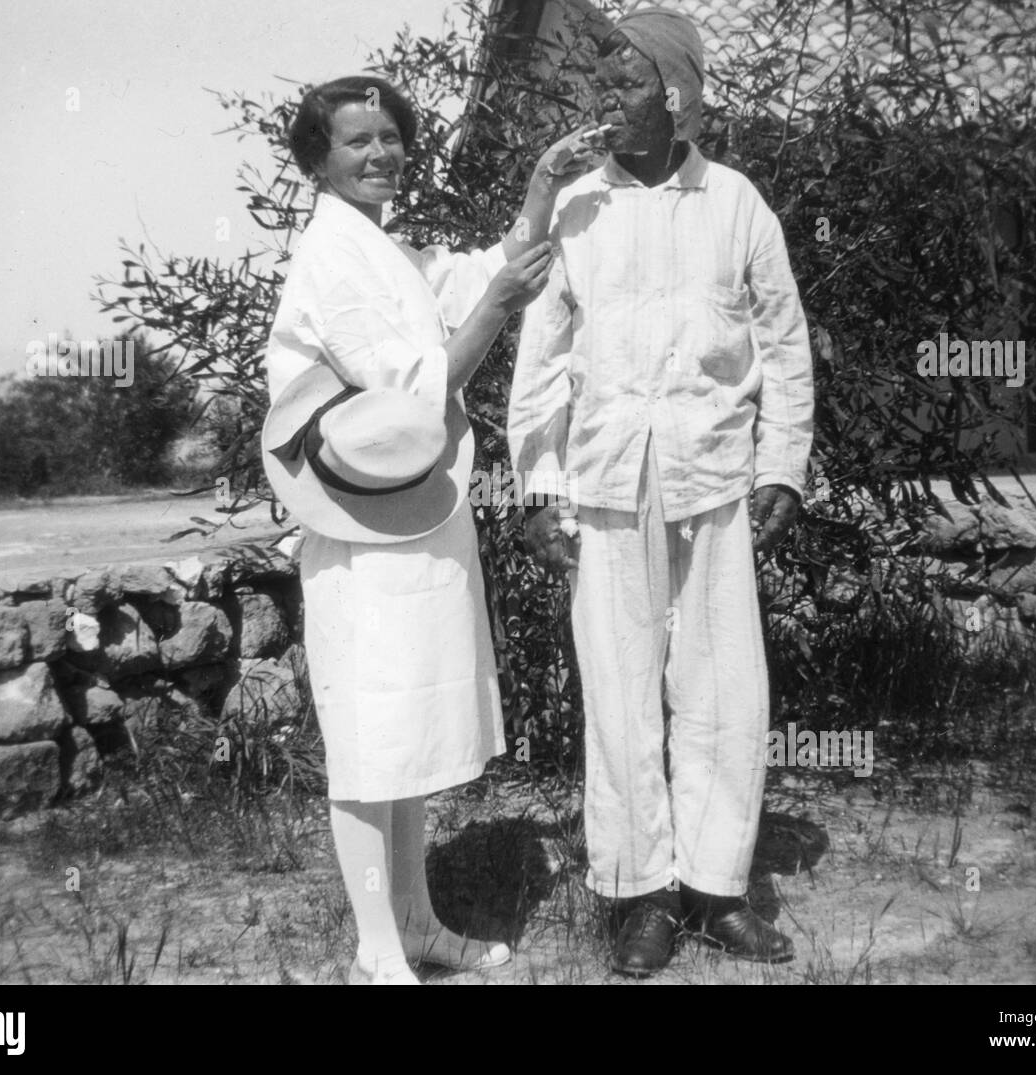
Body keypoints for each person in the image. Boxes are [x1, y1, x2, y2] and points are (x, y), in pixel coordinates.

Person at [262, 75, 597, 985]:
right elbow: (414, 392)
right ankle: (376, 948)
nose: (380, 154)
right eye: (356, 141)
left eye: (390, 136)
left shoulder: (387, 248)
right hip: (357, 527)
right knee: (368, 739)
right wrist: (496, 309)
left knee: (403, 731)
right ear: (318, 160)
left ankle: (416, 923)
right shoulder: (331, 258)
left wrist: (543, 186)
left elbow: (488, 268)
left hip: (412, 514)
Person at [508, 8, 815, 977]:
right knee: (619, 690)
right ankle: (641, 894)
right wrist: (537, 486)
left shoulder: (736, 204)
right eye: (598, 79)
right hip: (605, 484)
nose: (603, 96)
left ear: (677, 95)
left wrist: (781, 466)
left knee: (723, 689)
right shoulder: (577, 210)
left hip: (713, 478)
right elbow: (541, 361)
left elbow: (784, 345)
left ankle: (716, 891)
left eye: (624, 79)